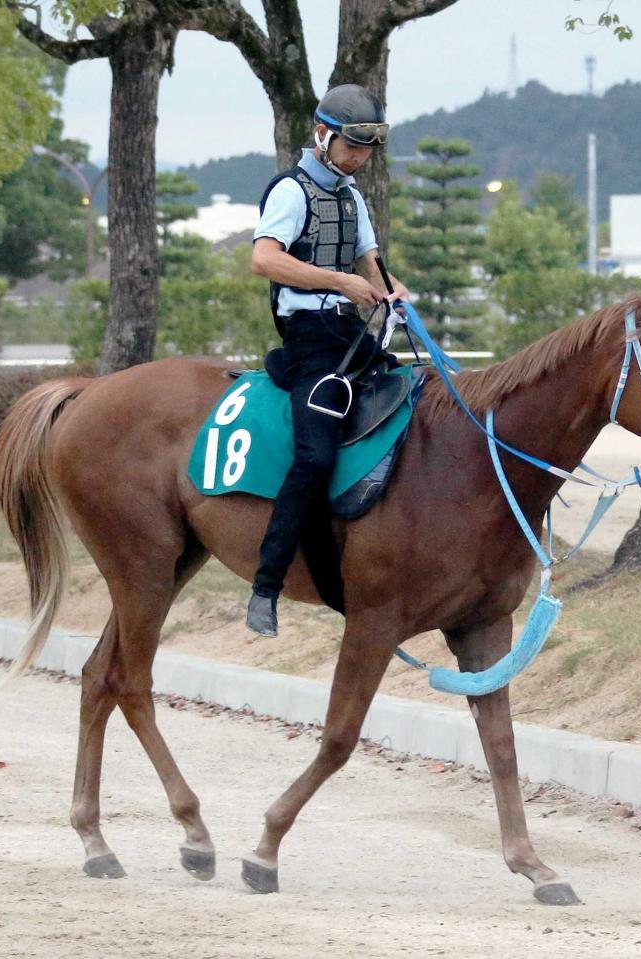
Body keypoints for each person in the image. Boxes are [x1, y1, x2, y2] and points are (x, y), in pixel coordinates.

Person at [246, 84, 409, 637]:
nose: (359, 158)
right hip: (310, 338)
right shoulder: (290, 192)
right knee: (315, 457)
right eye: (352, 147)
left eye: (367, 151)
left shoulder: (351, 195)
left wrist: (393, 291)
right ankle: (267, 583)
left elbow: (371, 262)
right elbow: (264, 260)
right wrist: (338, 282)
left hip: (353, 333)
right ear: (323, 135)